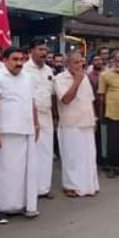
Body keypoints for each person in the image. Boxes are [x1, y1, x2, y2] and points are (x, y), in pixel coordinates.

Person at [0, 47, 40, 224]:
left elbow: (32, 102)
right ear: (5, 60)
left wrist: (36, 123)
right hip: (6, 131)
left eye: (21, 59)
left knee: (25, 172)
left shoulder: (27, 77)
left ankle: (23, 205)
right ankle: (1, 209)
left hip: (26, 130)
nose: (19, 63)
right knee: (5, 172)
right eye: (14, 59)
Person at [55, 51, 101, 197]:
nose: (79, 65)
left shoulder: (85, 77)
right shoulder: (59, 79)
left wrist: (93, 119)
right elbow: (66, 100)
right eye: (76, 62)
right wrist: (77, 81)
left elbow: (90, 100)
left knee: (88, 157)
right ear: (66, 64)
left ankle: (89, 185)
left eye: (81, 62)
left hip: (86, 122)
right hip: (70, 124)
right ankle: (71, 186)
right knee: (72, 158)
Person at [25, 38, 58, 199]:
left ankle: (44, 188)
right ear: (31, 51)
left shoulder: (49, 71)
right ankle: (31, 188)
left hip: (47, 115)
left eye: (45, 50)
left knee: (46, 152)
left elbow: (52, 95)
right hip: (30, 117)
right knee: (32, 153)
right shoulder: (24, 69)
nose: (44, 53)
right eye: (40, 49)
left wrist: (55, 116)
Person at [88, 54, 106, 165]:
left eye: (100, 59)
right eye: (96, 60)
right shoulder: (89, 76)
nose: (98, 62)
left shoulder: (108, 74)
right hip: (93, 108)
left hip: (105, 109)